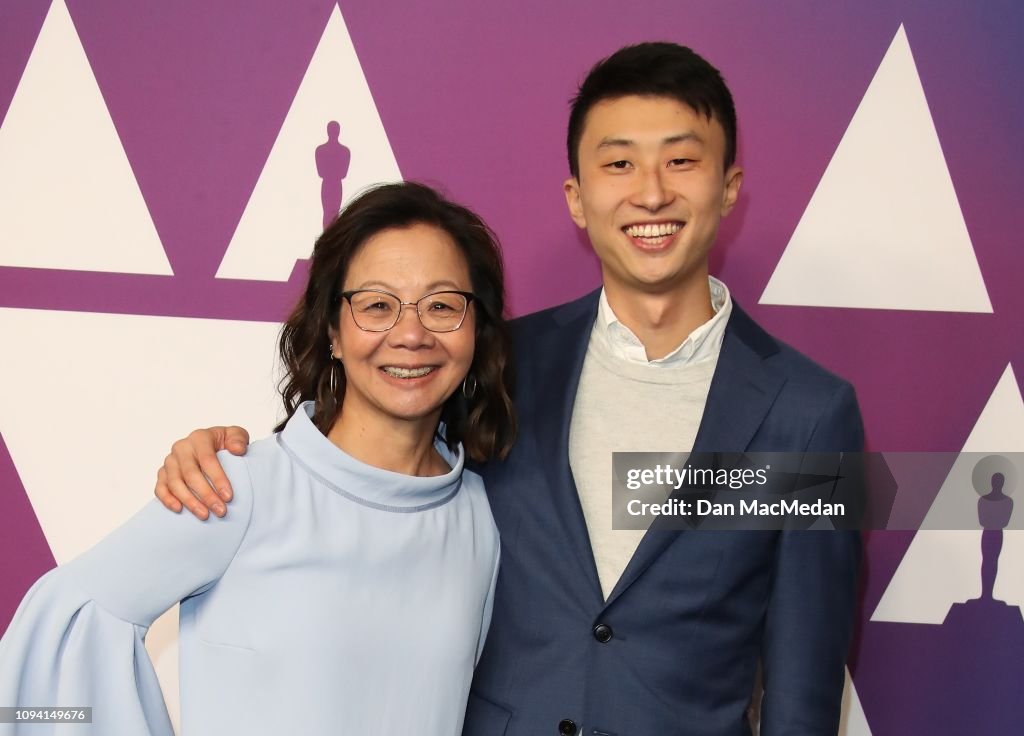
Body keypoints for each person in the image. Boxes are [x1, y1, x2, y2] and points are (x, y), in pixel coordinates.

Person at [156, 43, 863, 735]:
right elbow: (375, 468)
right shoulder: (497, 362)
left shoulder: (807, 414)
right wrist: (234, 455)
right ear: (578, 198)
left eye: (681, 160)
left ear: (729, 187)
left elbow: (802, 688)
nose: (651, 191)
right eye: (619, 164)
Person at [0, 182, 516, 735]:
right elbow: (64, 628)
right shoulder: (236, 487)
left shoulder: (480, 515)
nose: (410, 334)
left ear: (477, 331)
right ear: (332, 333)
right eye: (376, 306)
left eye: (442, 305)